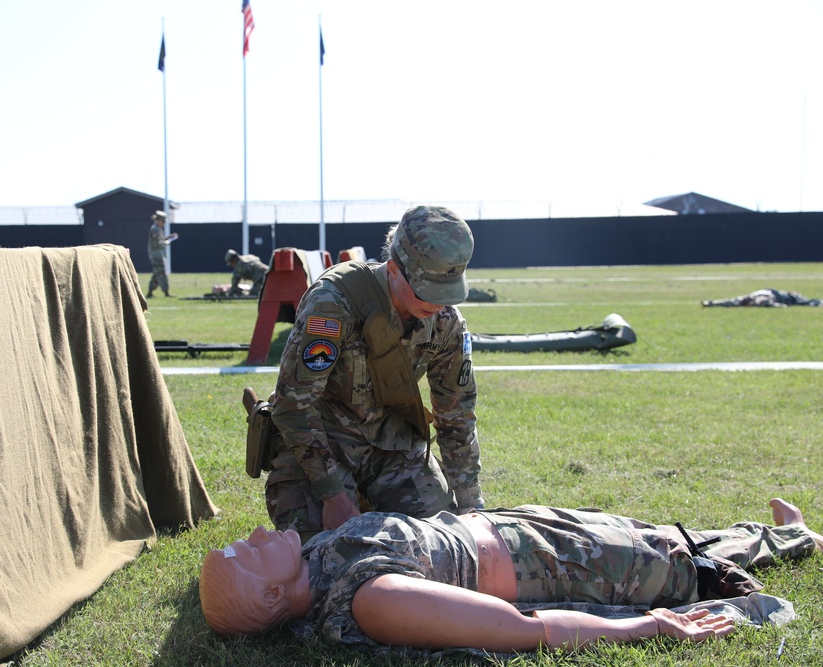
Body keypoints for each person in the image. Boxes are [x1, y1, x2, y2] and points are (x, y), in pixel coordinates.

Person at [200, 498, 823, 653]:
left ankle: (778, 532)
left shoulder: (310, 557)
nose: (255, 535)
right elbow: (522, 629)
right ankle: (798, 540)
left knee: (658, 535)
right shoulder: (374, 599)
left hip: (518, 528)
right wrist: (648, 628)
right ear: (273, 593)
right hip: (556, 564)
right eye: (250, 552)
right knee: (676, 562)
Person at [264, 205, 481, 542]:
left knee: (440, 540)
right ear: (393, 268)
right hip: (322, 442)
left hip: (390, 444)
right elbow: (294, 407)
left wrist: (470, 509)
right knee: (320, 553)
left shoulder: (446, 323)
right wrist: (332, 493)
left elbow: (457, 416)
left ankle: (367, 499)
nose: (438, 304)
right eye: (428, 290)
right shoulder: (333, 305)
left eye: (447, 291)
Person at [146, 211, 177, 298]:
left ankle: (150, 292)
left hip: (158, 254)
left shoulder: (157, 229)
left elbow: (161, 239)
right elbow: (158, 243)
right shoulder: (155, 229)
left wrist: (168, 237)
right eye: (163, 221)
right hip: (157, 255)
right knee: (161, 273)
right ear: (158, 220)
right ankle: (166, 292)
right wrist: (167, 242)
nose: (163, 223)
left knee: (157, 274)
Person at [702, 288, 822, 307]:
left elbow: (765, 302)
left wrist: (779, 306)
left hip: (789, 296)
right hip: (778, 295)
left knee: (807, 302)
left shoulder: (760, 298)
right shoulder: (744, 299)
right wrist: (711, 303)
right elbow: (728, 302)